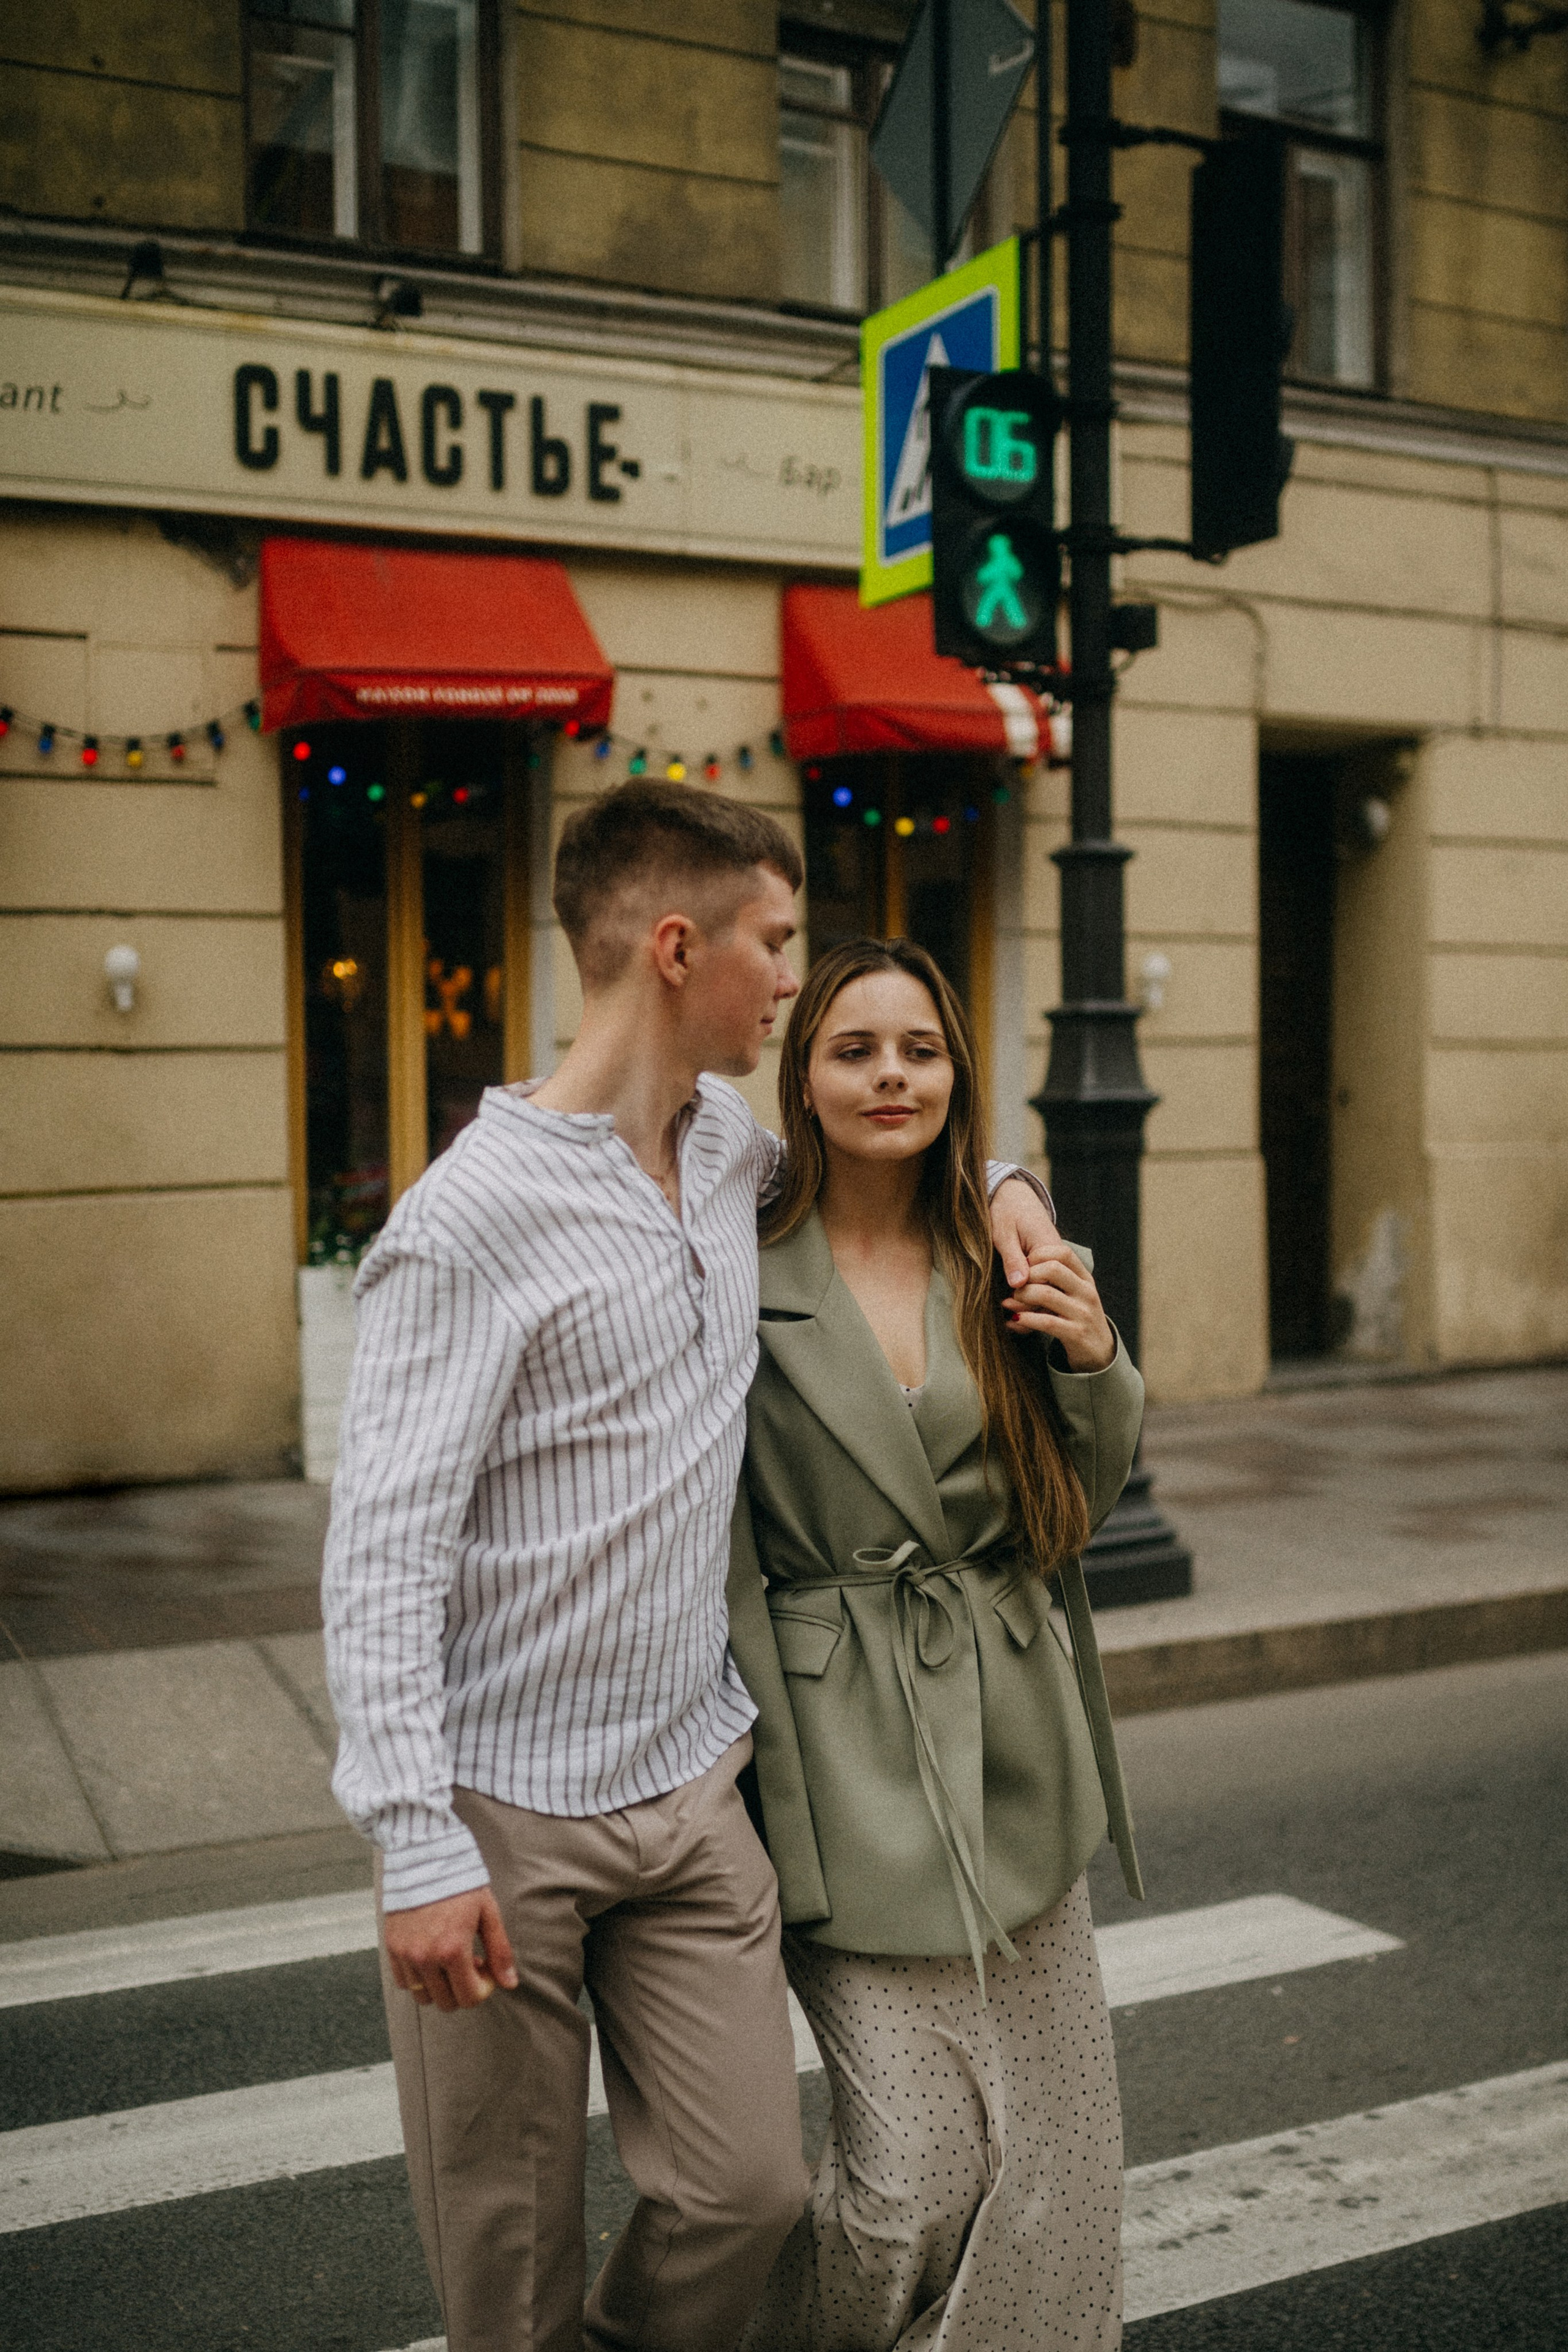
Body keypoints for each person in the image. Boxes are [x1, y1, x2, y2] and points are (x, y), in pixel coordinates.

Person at [320, 782, 1065, 2352]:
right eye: (775, 943)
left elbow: (899, 1138)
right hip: (505, 1813)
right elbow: (382, 1555)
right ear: (677, 947)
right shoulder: (470, 1225)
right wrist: (415, 1842)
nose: (793, 981)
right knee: (507, 2276)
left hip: (690, 1789)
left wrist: (1007, 1188)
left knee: (749, 2196)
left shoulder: (727, 1145)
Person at [726, 935, 1147, 2352]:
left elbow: (1074, 1502)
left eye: (918, 1048)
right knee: (901, 2182)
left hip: (1011, 1737)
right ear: (802, 1076)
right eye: (852, 1049)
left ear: (956, 1071)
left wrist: (1093, 1361)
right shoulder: (733, 1261)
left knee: (1052, 2165)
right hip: (840, 1758)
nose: (888, 1075)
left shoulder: (1005, 1254)